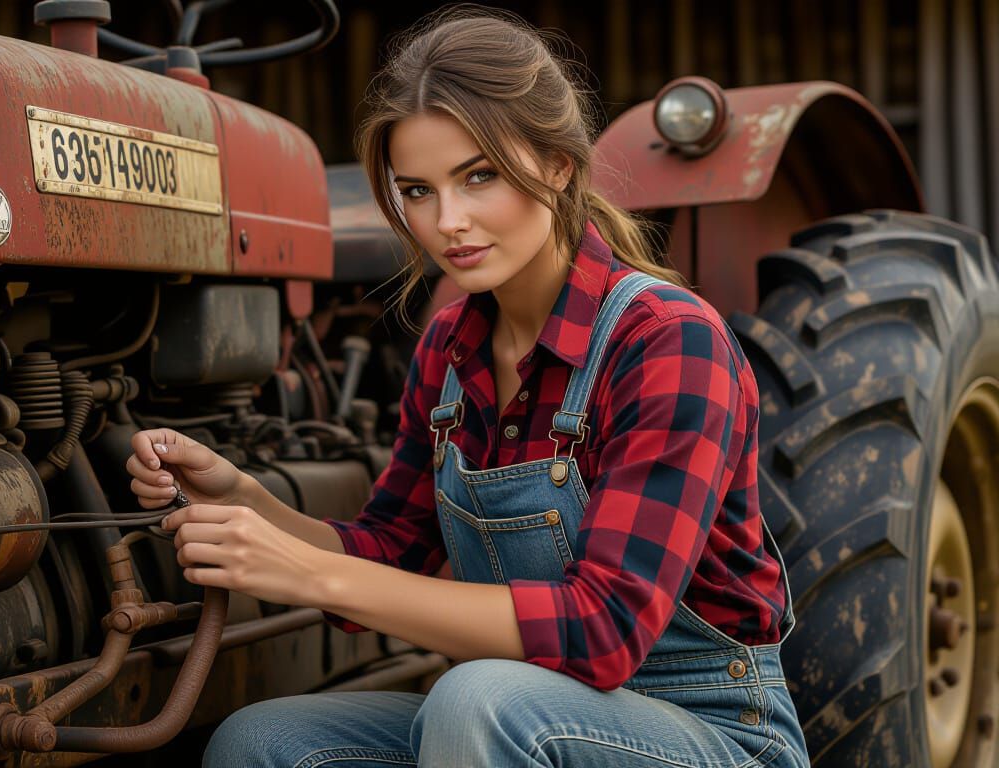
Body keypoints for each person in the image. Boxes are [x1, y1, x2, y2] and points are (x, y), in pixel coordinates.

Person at [125, 9, 812, 767]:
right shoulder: (449, 354)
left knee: (477, 700)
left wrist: (310, 572)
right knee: (263, 741)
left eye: (478, 176)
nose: (447, 221)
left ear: (558, 163)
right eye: (417, 191)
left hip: (711, 726)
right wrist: (245, 501)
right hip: (515, 715)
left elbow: (605, 630)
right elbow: (390, 553)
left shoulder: (667, 341)